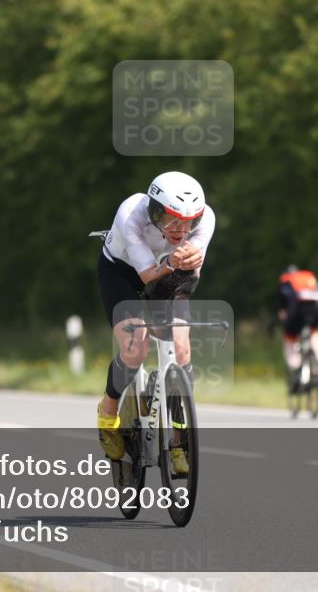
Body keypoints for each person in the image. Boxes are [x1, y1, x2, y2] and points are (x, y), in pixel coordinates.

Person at [95, 172, 216, 475]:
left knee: (181, 346)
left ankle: (178, 439)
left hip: (171, 271)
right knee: (136, 348)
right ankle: (108, 411)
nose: (182, 229)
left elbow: (190, 276)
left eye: (190, 221)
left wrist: (184, 267)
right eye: (172, 219)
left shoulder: (207, 219)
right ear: (154, 211)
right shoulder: (131, 214)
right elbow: (147, 274)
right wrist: (174, 262)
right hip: (122, 271)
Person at [277, 265, 318, 386]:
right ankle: (315, 366)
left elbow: (282, 309)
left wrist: (282, 317)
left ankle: (296, 367)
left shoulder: (285, 280)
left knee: (290, 340)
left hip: (296, 310)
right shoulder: (308, 276)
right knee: (315, 333)